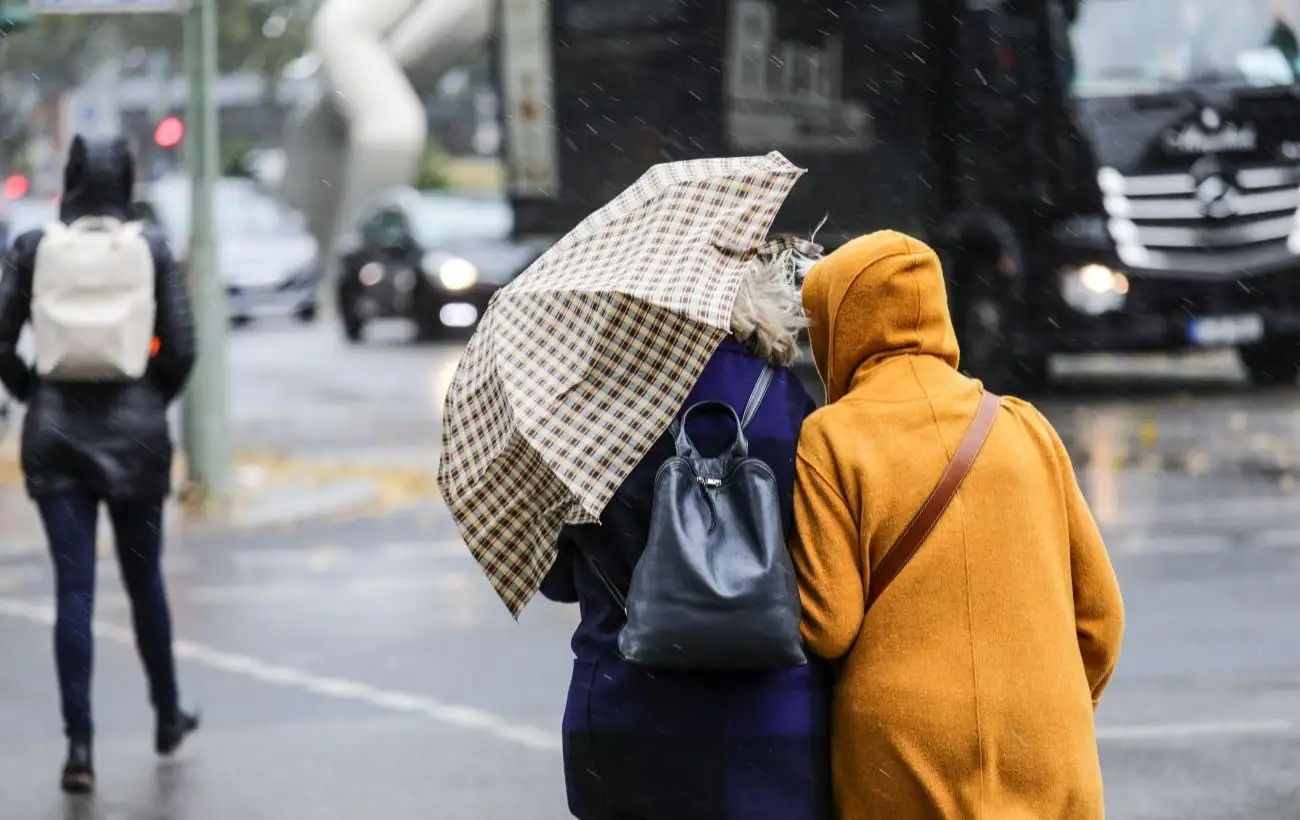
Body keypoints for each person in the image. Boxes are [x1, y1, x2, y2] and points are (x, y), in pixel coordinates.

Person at [791, 230, 1125, 819]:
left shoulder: (833, 437)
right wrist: (1050, 708)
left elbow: (828, 624)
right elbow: (1100, 618)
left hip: (902, 749)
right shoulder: (1026, 426)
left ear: (837, 328)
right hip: (1046, 733)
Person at [538, 248, 833, 820]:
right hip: (767, 718)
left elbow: (556, 581)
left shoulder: (586, 410)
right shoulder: (785, 401)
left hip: (628, 714)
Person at [0, 134, 200, 794]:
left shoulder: (34, 249)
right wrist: (147, 396)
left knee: (74, 593)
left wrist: (38, 391)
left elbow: (2, 340)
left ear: (71, 179)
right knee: (146, 588)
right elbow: (182, 348)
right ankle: (168, 714)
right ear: (128, 182)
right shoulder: (151, 249)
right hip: (137, 439)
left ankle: (79, 748)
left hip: (55, 436)